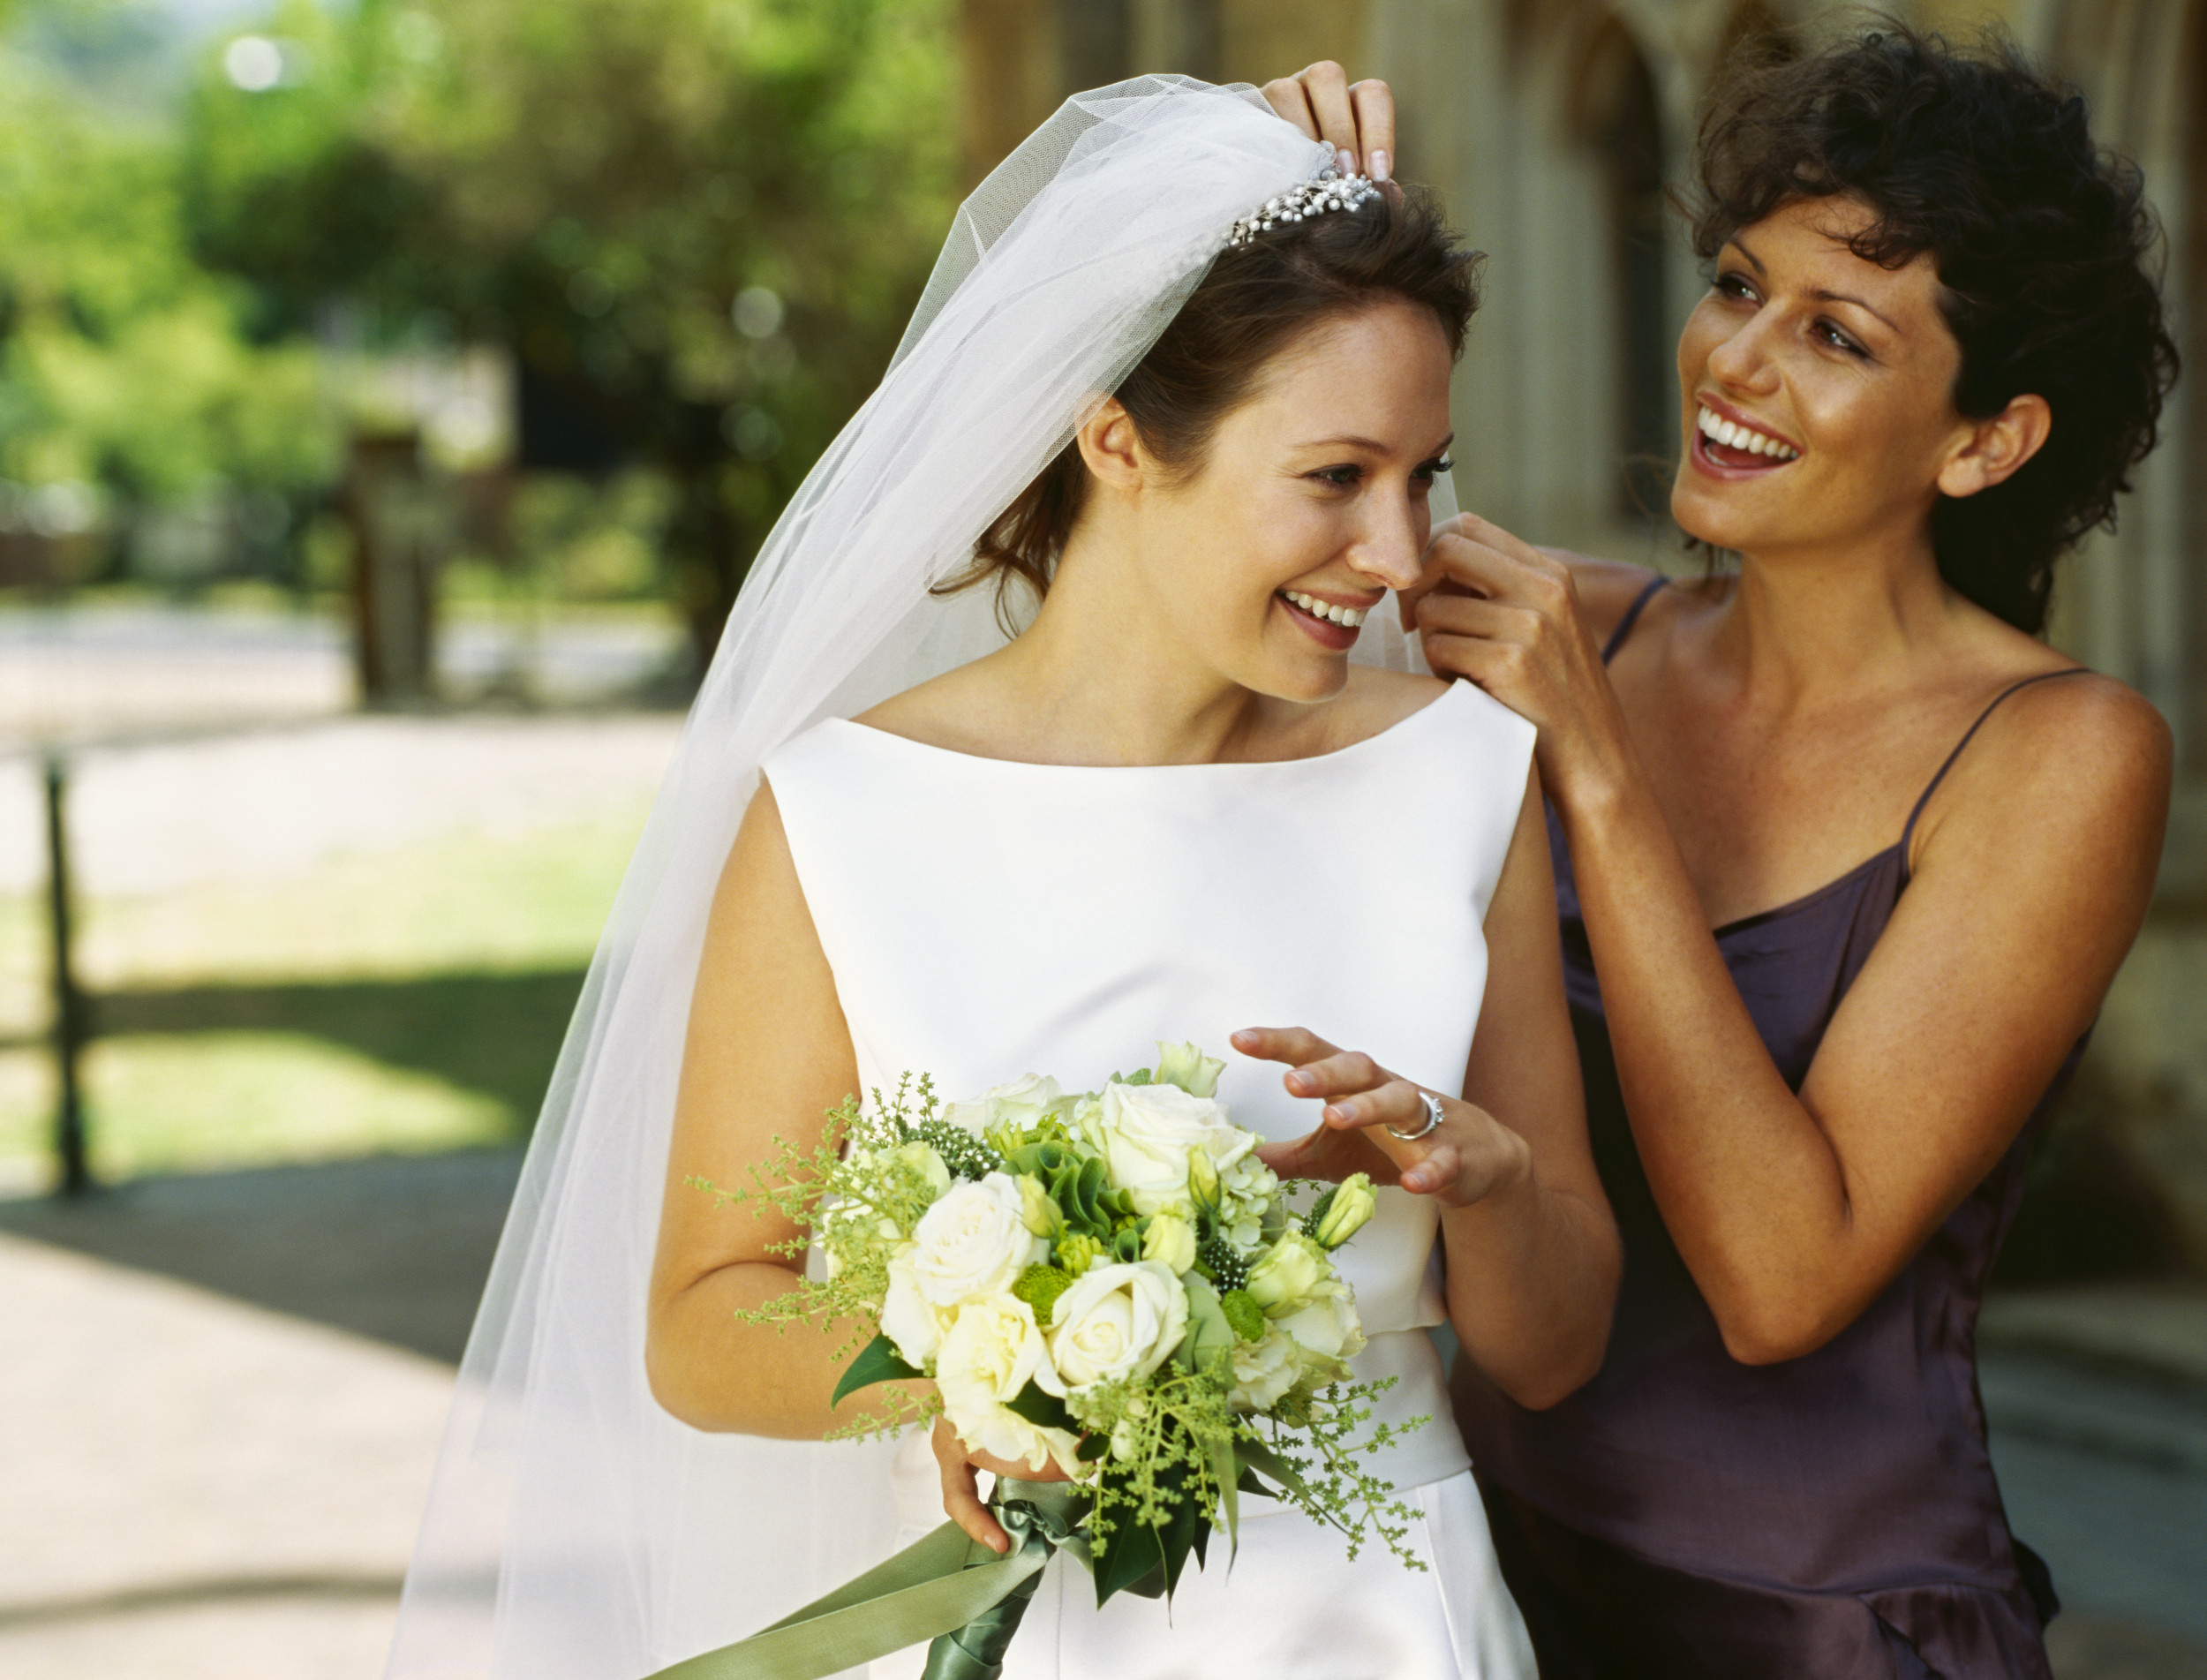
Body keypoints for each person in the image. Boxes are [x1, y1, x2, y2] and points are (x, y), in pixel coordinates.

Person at [387, 79, 1620, 1680]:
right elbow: (701, 1321)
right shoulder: (847, 808)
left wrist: (1484, 1175)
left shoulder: (1459, 774)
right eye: (1334, 478)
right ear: (1116, 436)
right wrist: (975, 1368)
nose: (1399, 552)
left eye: (1421, 476)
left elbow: (1557, 1351)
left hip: (1383, 1626)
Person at [1263, 28, 2176, 1680]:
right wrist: (1273, 217)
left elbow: (1783, 1278)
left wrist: (1597, 784)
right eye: (1736, 284)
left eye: (1834, 333)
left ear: (1986, 440)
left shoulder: (2063, 755)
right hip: (1481, 1584)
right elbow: (1199, 541)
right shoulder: (1574, 629)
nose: (1735, 361)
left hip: (1827, 1630)